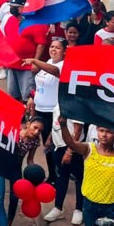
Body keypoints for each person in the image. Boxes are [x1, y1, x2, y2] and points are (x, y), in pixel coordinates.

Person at [58, 116, 114, 226]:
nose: (104, 134)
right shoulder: (89, 149)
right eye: (101, 130)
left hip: (113, 208)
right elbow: (71, 143)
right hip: (90, 206)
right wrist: (63, 125)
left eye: (109, 132)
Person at [24, 37, 66, 184]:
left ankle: (56, 177)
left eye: (57, 47)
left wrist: (35, 61)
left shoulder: (63, 65)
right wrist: (31, 97)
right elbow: (39, 84)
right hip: (39, 110)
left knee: (51, 146)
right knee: (43, 145)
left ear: (64, 51)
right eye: (52, 46)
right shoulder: (47, 62)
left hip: (52, 113)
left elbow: (55, 71)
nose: (53, 49)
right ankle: (53, 176)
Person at [1, 0, 48, 102]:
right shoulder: (10, 20)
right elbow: (7, 39)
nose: (12, 9)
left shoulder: (34, 23)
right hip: (12, 64)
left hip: (27, 67)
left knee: (28, 97)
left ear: (23, 8)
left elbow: (41, 44)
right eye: (11, 6)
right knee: (13, 96)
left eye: (15, 7)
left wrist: (35, 62)